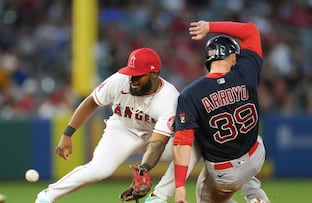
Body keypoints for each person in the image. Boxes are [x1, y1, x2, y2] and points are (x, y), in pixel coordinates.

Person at [35, 47, 180, 203]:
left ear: (154, 74)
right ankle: (47, 196)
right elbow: (91, 103)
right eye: (131, 74)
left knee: (189, 148)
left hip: (155, 136)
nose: (133, 80)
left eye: (138, 76)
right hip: (123, 129)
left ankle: (157, 197)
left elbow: (157, 143)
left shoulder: (169, 99)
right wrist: (68, 133)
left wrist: (143, 169)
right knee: (99, 170)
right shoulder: (119, 80)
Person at [172, 20, 269, 203]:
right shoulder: (246, 72)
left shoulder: (191, 94)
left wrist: (179, 187)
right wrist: (209, 27)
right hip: (256, 156)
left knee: (205, 195)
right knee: (248, 147)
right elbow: (250, 31)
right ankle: (257, 198)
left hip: (225, 173)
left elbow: (182, 143)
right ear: (233, 57)